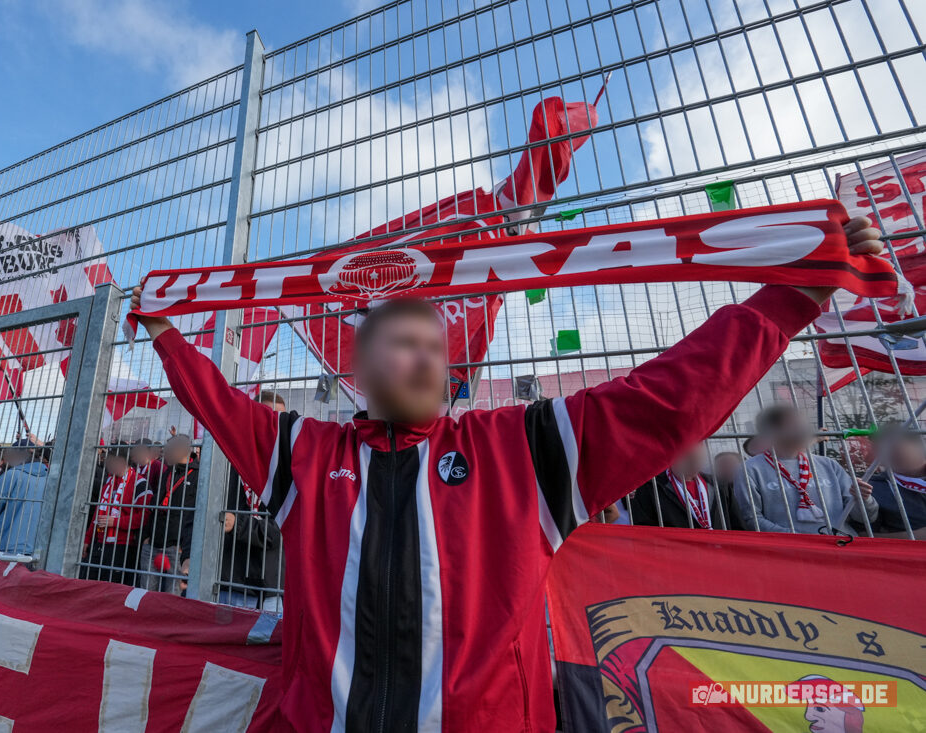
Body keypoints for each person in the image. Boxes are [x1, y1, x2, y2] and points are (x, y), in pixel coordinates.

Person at [130, 217, 883, 732]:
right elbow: (215, 399)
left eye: (435, 343)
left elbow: (670, 396)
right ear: (359, 369)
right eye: (400, 341)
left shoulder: (523, 444)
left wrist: (797, 294)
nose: (425, 355)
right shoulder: (304, 453)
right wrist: (163, 331)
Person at [734, 405, 878, 535]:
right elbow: (752, 519)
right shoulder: (751, 469)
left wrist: (864, 499)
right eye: (796, 425)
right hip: (791, 553)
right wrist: (800, 541)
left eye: (806, 425)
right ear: (773, 430)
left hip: (841, 545)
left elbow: (866, 517)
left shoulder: (828, 465)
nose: (806, 431)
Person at [220, 389, 287, 612]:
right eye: (267, 416)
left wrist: (236, 524)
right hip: (229, 580)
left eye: (280, 418)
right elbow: (201, 513)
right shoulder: (228, 460)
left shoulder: (289, 468)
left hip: (270, 586)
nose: (275, 423)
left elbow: (279, 531)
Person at [631, 442, 743, 530]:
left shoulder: (719, 486)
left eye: (698, 457)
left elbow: (738, 526)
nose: (695, 462)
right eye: (689, 457)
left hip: (720, 554)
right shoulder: (651, 488)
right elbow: (644, 531)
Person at [81, 447, 152, 585]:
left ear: (122, 462)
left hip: (123, 547)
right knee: (90, 582)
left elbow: (144, 517)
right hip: (100, 542)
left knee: (113, 588)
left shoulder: (140, 484)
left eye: (110, 462)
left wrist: (116, 522)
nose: (107, 466)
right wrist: (88, 539)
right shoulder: (108, 483)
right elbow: (98, 512)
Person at [138, 433, 198, 593]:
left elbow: (193, 516)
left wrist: (183, 546)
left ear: (182, 450)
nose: (165, 454)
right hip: (153, 543)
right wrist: (147, 537)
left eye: (169, 450)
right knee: (147, 594)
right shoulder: (168, 471)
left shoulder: (198, 475)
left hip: (176, 548)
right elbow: (156, 505)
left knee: (173, 596)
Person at [861, 427, 926, 537]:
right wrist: (915, 536)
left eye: (896, 447)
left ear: (919, 446)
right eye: (881, 450)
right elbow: (863, 536)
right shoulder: (872, 488)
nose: (893, 454)